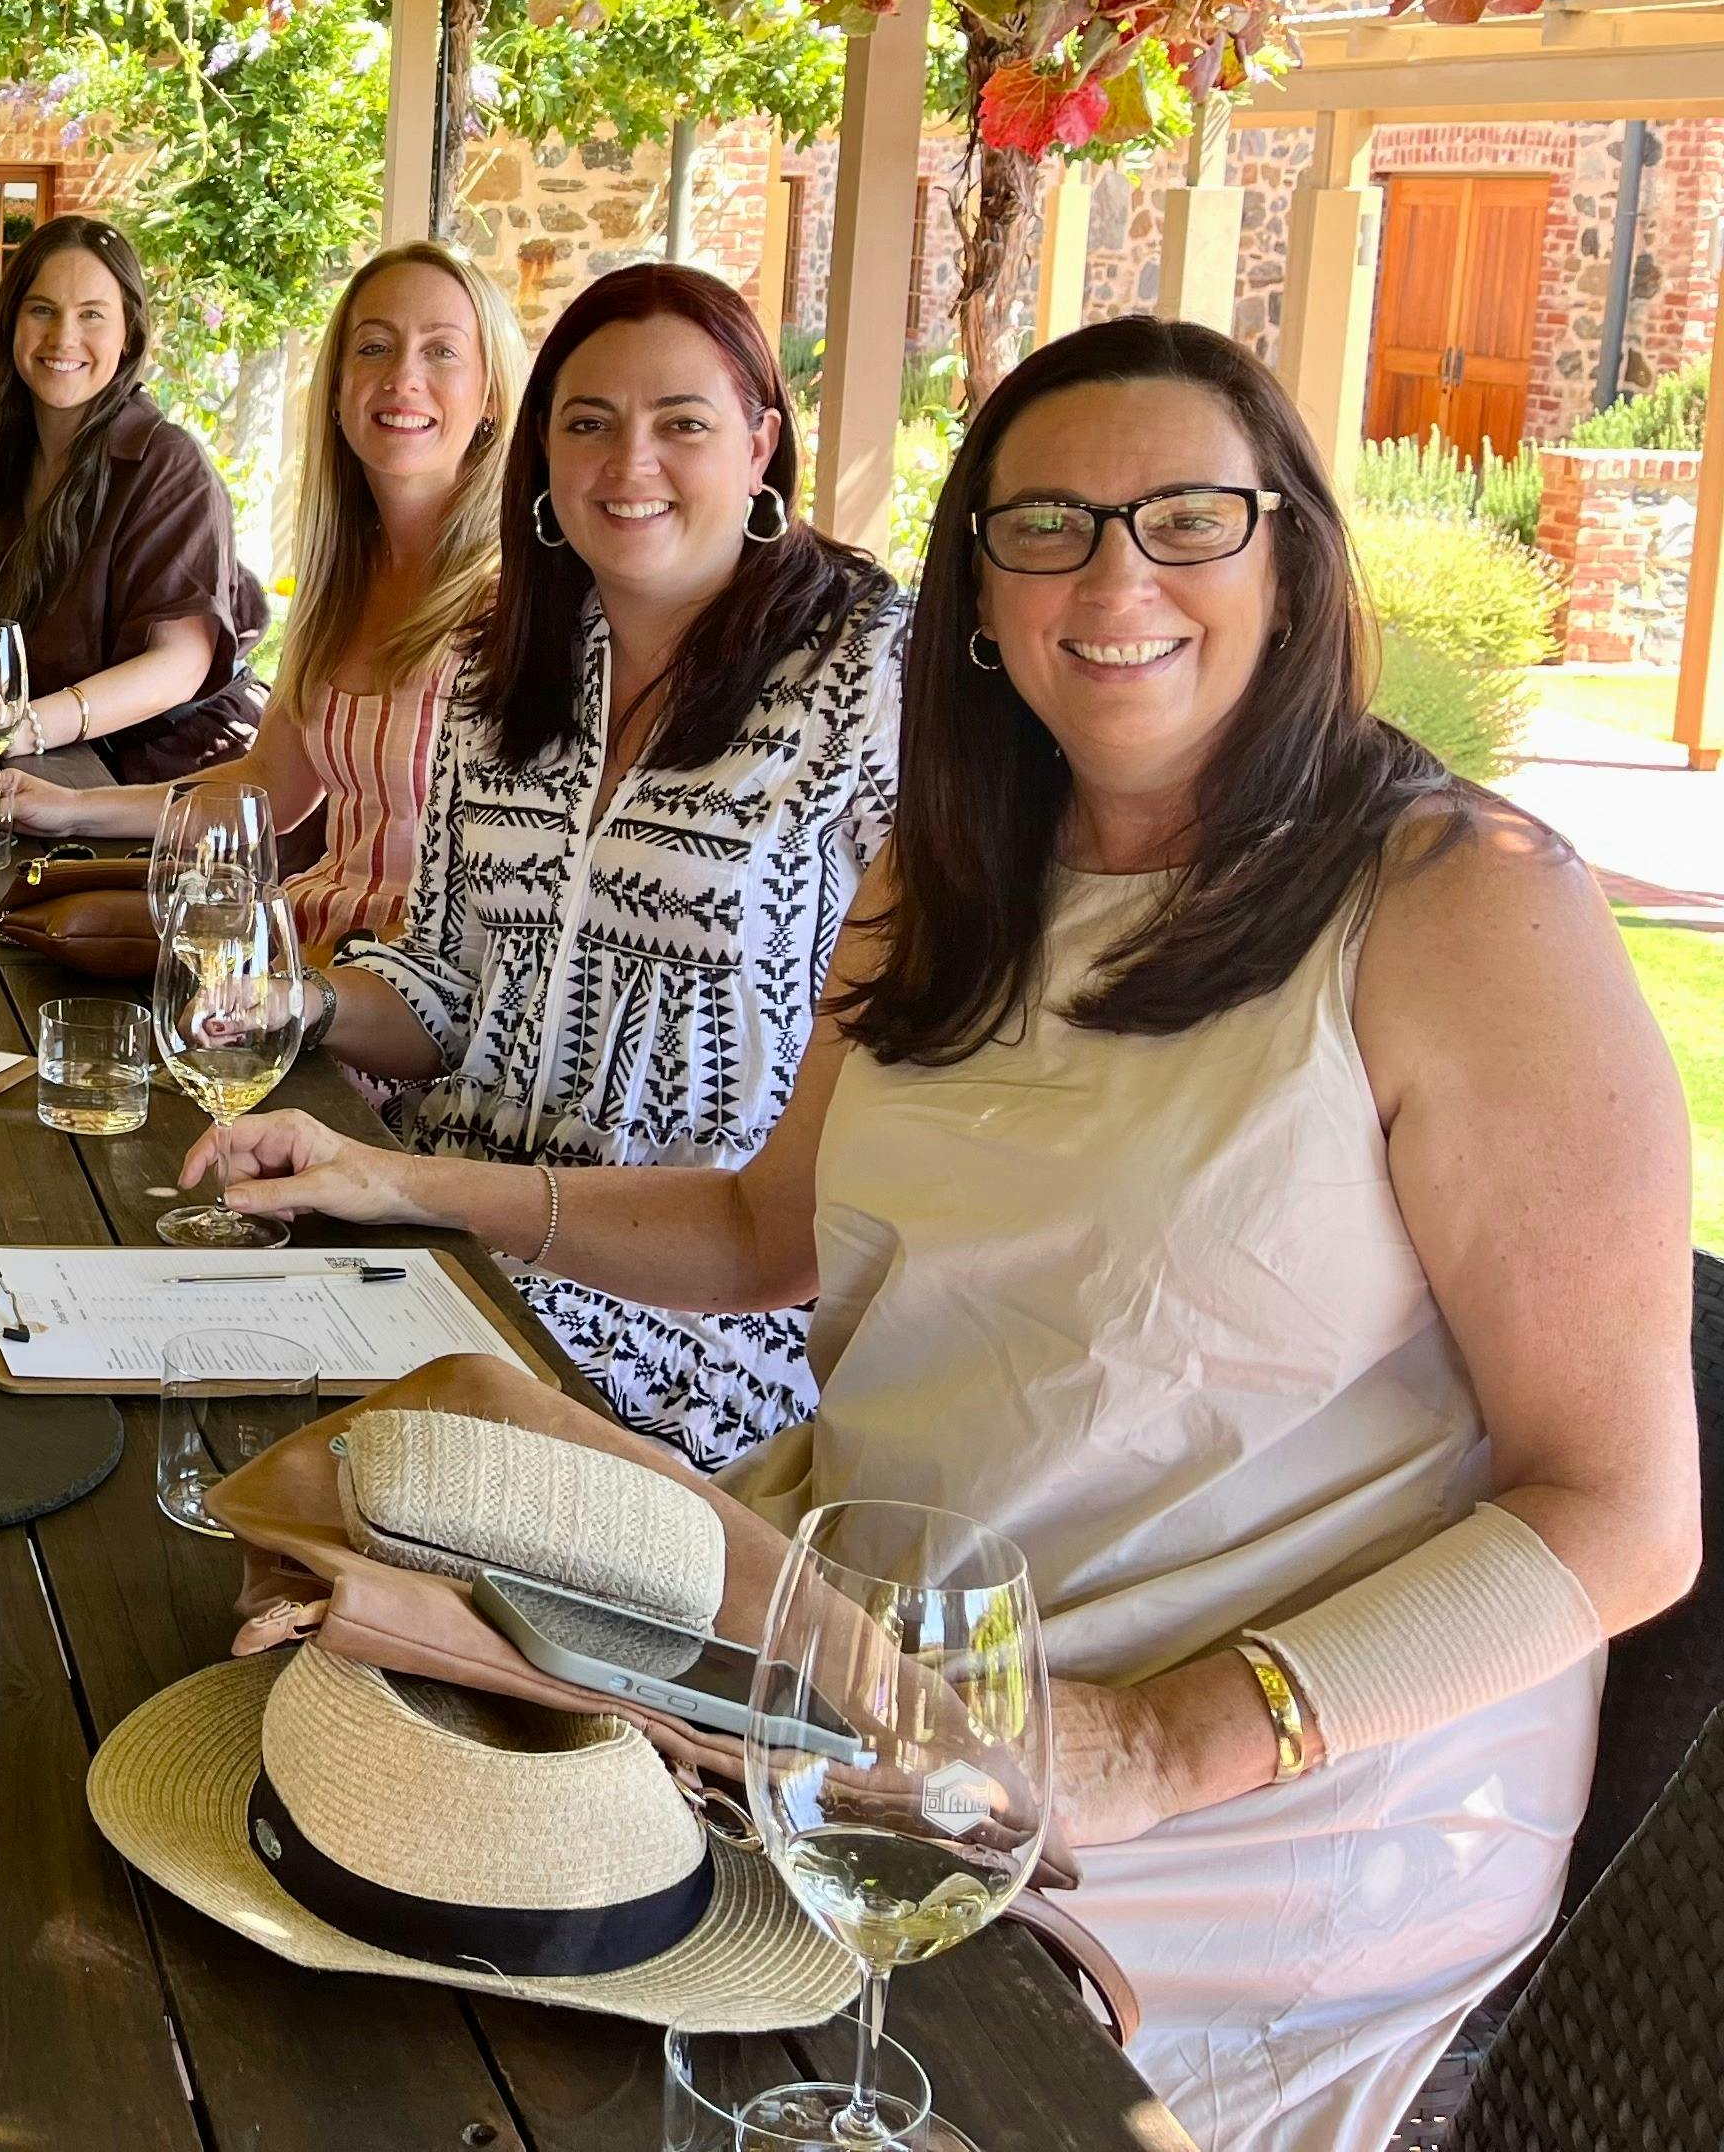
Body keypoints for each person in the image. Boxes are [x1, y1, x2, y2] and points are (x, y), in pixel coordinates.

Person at [183, 316, 1697, 2152]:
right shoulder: (949, 869)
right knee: (331, 1814)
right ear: (979, 592)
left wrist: (1156, 1743)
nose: (1113, 579)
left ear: (1293, 559)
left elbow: (1620, 1509)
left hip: (1235, 1791)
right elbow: (766, 1230)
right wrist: (399, 1183)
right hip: (861, 1662)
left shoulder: (1462, 901)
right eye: (1045, 524)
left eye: (1186, 517)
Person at [283, 261, 903, 1472]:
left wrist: (409, 1188)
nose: (630, 465)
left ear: (761, 443)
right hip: (440, 1217)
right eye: (589, 423)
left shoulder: (861, 669)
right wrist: (290, 1002)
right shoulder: (499, 663)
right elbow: (446, 990)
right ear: (541, 454)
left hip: (692, 1302)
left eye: (683, 424)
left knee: (363, 1446)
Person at [0, 239, 524, 953]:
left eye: (441, 352)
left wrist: (32, 727)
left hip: (395, 992)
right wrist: (73, 809)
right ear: (336, 389)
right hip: (299, 955)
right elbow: (270, 785)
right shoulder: (345, 585)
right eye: (375, 348)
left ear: (491, 396)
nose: (402, 378)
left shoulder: (513, 605)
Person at [0, 211, 268, 780]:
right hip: (58, 763)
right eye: (42, 309)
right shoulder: (8, 452)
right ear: (11, 323)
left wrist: (29, 725)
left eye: (91, 314)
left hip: (177, 768)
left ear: (129, 334)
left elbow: (181, 662)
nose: (63, 338)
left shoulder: (167, 464)